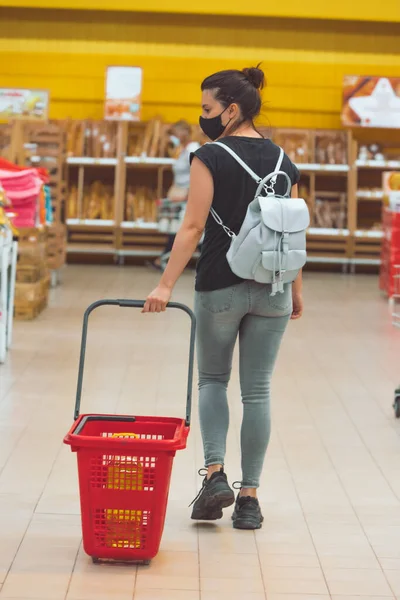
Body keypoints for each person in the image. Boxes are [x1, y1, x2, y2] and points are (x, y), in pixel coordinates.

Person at [143, 65, 303, 530]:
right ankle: (250, 499)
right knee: (258, 392)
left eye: (208, 108)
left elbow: (192, 227)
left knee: (213, 381)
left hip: (220, 283)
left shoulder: (209, 155)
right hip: (272, 286)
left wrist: (165, 284)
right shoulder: (283, 161)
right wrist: (295, 290)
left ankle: (216, 475)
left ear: (231, 110)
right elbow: (289, 231)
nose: (203, 117)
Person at [151, 120, 200, 270]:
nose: (174, 137)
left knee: (180, 230)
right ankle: (167, 259)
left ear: (184, 133)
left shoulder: (193, 149)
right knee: (176, 229)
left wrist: (188, 195)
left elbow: (197, 174)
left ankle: (167, 259)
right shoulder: (182, 150)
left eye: (175, 134)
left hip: (187, 196)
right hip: (178, 194)